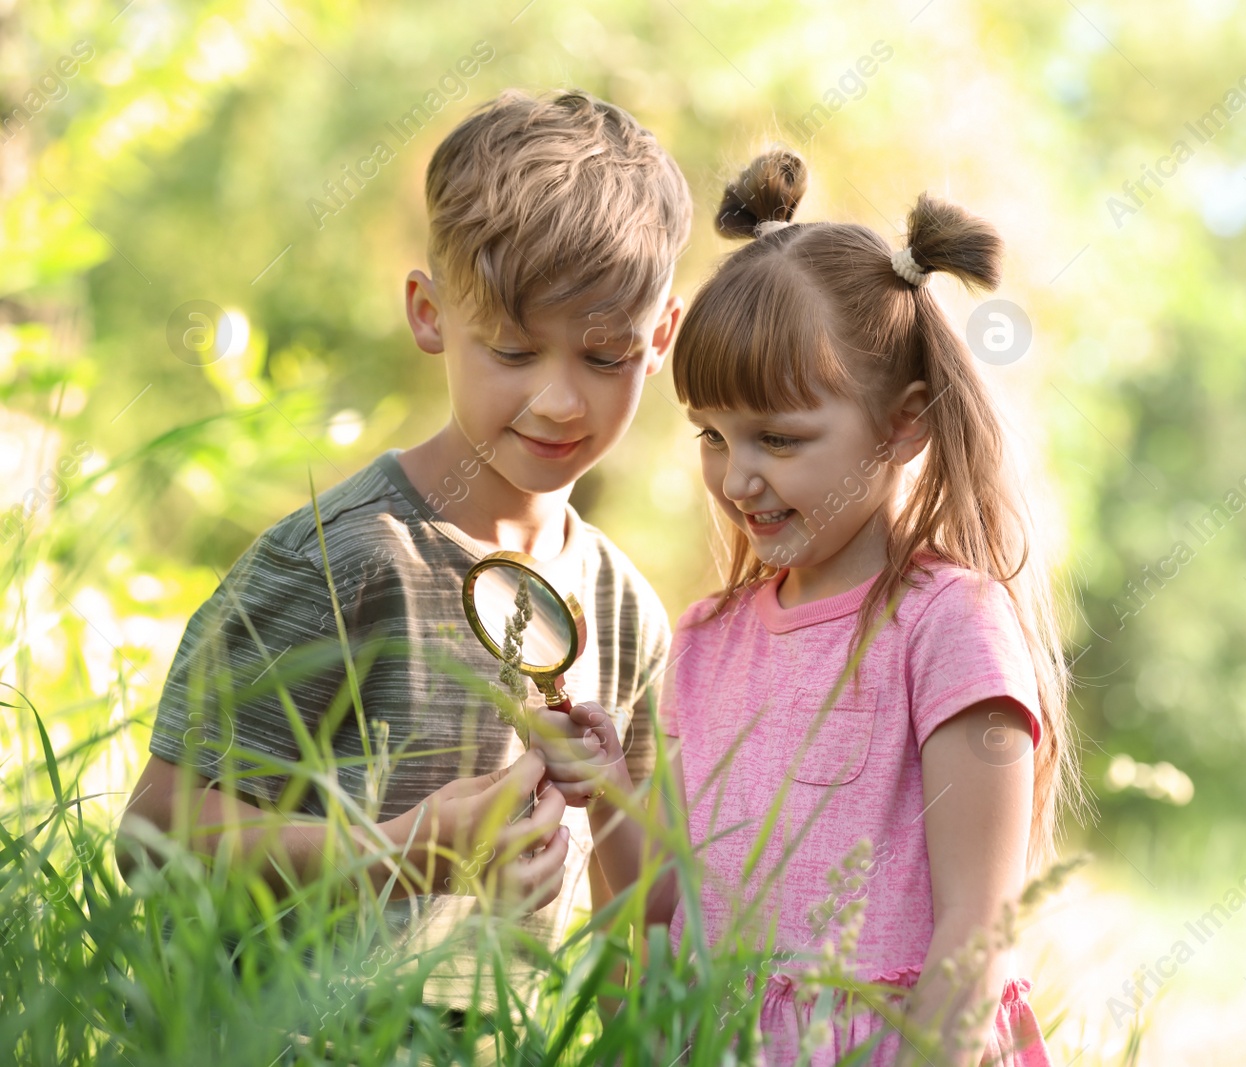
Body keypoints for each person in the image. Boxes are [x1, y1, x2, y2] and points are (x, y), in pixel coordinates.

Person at [115, 88, 692, 1011]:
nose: (560, 402)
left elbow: (644, 920)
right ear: (430, 314)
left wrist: (617, 806)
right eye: (512, 351)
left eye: (606, 357)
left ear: (660, 338)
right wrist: (401, 854)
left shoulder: (625, 612)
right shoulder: (341, 559)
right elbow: (154, 835)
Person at [534, 149, 1090, 1064]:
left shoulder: (949, 626)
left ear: (904, 421)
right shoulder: (709, 639)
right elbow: (667, 908)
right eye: (712, 434)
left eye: (779, 438)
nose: (737, 475)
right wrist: (604, 799)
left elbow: (975, 933)